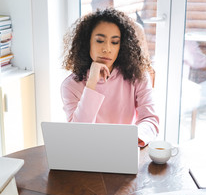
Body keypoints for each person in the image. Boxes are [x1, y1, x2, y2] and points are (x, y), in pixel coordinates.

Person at [61, 8, 159, 147]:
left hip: (127, 148)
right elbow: (78, 133)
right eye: (100, 41)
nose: (107, 48)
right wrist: (91, 83)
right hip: (88, 152)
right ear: (87, 42)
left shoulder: (138, 77)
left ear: (122, 46)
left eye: (114, 42)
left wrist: (130, 139)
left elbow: (150, 120)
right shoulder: (70, 85)